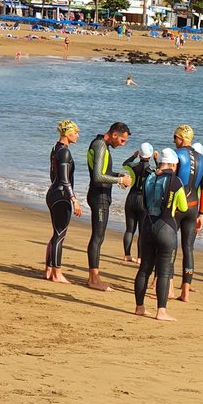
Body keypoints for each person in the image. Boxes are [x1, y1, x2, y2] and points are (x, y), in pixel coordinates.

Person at [134, 148, 188, 322]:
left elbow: (145, 201)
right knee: (164, 272)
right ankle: (161, 312)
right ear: (173, 164)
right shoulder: (176, 181)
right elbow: (184, 208)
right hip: (166, 228)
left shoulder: (149, 177)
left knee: (144, 270)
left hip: (147, 226)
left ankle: (139, 307)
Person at [86, 122, 132, 290]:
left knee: (99, 237)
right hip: (99, 197)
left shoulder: (101, 144)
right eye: (122, 140)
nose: (122, 144)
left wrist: (117, 175)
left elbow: (103, 172)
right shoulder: (100, 146)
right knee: (97, 237)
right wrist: (120, 180)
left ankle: (94, 277)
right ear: (114, 135)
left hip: (100, 195)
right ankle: (93, 279)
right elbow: (98, 176)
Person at [173, 125, 203, 300]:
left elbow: (170, 182)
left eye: (175, 137)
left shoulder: (177, 155)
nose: (174, 141)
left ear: (180, 138)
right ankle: (185, 292)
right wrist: (201, 214)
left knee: (170, 245)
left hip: (176, 206)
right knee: (188, 248)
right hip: (194, 208)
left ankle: (169, 288)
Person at [44, 120, 82, 283]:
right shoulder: (65, 152)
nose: (78, 136)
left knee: (55, 234)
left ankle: (48, 269)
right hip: (61, 196)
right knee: (60, 235)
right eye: (76, 132)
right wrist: (74, 199)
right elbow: (65, 180)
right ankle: (57, 273)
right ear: (68, 133)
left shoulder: (55, 149)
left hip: (53, 194)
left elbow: (54, 176)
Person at [122, 142, 156, 262]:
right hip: (143, 199)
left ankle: (127, 255)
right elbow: (160, 173)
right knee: (142, 231)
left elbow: (124, 164)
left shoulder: (133, 166)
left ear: (140, 154)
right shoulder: (151, 170)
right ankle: (140, 257)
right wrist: (157, 160)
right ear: (150, 156)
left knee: (129, 229)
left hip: (131, 197)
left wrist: (133, 156)